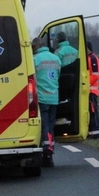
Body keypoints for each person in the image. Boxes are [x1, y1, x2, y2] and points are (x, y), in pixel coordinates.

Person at [32, 37, 60, 167]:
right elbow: (58, 75)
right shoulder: (56, 58)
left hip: (42, 97)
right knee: (50, 125)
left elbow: (32, 78)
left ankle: (46, 151)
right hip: (54, 97)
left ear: (36, 46)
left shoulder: (35, 59)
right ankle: (50, 150)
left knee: (44, 125)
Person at [86, 41, 99, 139]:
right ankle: (92, 131)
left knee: (93, 111)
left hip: (92, 90)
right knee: (90, 111)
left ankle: (96, 132)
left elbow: (95, 75)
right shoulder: (88, 58)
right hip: (89, 90)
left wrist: (87, 83)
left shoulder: (93, 58)